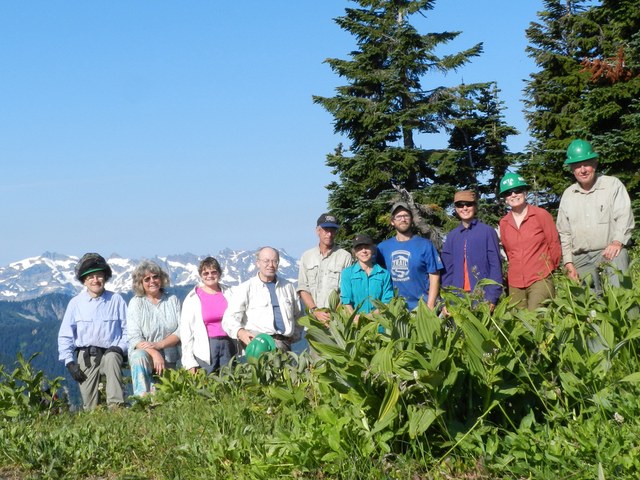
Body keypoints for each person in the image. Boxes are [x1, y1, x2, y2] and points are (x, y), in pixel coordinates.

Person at [556, 139, 635, 291]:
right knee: (587, 304)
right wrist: (568, 262)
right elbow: (564, 232)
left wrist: (617, 241)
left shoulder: (612, 185)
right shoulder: (568, 195)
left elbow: (624, 215)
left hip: (609, 251)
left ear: (595, 164)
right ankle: (591, 313)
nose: (583, 170)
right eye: (577, 166)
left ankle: (628, 313)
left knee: (620, 288)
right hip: (581, 257)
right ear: (572, 169)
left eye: (586, 164)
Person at [57, 253, 128, 410]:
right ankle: (93, 417)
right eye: (91, 277)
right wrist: (69, 363)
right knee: (89, 404)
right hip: (87, 356)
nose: (96, 280)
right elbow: (65, 335)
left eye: (99, 276)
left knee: (111, 359)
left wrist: (120, 348)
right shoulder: (75, 303)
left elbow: (128, 331)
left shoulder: (116, 300)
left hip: (112, 351)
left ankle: (117, 409)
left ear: (105, 277)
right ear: (84, 281)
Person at [498, 173, 561, 310]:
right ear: (505, 198)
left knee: (537, 317)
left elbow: (554, 244)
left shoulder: (541, 215)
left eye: (518, 190)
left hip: (540, 276)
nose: (513, 195)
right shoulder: (504, 223)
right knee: (519, 323)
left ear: (525, 192)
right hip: (515, 281)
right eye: (509, 193)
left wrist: (550, 269)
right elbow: (509, 252)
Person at [222, 247, 302, 352]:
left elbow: (298, 315)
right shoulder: (245, 288)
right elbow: (229, 318)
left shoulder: (288, 287)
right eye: (266, 261)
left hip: (284, 344)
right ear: (258, 263)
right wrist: (240, 332)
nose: (271, 265)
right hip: (257, 346)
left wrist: (294, 334)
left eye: (275, 261)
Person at [441, 191, 503, 311]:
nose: (464, 208)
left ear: (475, 206)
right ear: (456, 209)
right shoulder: (452, 236)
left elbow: (495, 266)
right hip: (457, 298)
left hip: (482, 297)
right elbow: (447, 271)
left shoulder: (487, 232)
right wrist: (446, 300)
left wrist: (492, 297)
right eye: (460, 205)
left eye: (468, 204)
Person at [127, 260, 181, 396]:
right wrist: (155, 352)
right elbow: (135, 338)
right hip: (147, 356)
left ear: (161, 279)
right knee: (137, 356)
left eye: (155, 277)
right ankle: (142, 399)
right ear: (140, 284)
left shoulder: (172, 300)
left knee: (166, 396)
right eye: (147, 279)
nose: (152, 281)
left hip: (171, 354)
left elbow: (181, 330)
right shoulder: (136, 303)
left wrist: (159, 344)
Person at [377, 202, 443, 310]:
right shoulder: (383, 248)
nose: (403, 219)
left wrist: (430, 305)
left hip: (421, 306)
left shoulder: (425, 245)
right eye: (398, 216)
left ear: (411, 219)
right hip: (394, 307)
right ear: (392, 222)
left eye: (406, 216)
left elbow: (434, 275)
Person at [181, 257, 235, 374]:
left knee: (229, 381)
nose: (210, 275)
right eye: (206, 273)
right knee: (206, 384)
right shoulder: (193, 298)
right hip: (205, 347)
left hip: (229, 344)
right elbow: (186, 332)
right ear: (201, 275)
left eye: (213, 272)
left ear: (219, 273)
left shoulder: (230, 293)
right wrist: (189, 361)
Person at [297, 213, 353, 323]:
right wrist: (315, 311)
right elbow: (303, 287)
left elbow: (346, 291)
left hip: (336, 320)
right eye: (325, 230)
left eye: (332, 230)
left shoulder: (345, 256)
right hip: (314, 320)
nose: (329, 234)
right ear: (318, 231)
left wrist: (333, 315)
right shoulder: (307, 256)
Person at [340, 234, 393, 315]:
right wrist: (354, 318)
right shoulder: (347, 273)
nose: (363, 251)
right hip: (355, 324)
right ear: (355, 252)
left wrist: (370, 317)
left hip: (378, 324)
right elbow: (346, 301)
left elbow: (387, 301)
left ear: (373, 249)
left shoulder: (384, 274)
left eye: (367, 247)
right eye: (359, 248)